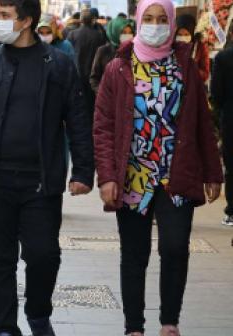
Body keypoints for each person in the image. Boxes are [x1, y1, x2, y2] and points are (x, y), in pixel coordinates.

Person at [0, 0, 94, 334]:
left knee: (44, 254)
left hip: (41, 182)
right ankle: (4, 326)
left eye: (4, 16)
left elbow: (77, 120)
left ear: (27, 21)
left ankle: (38, 312)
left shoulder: (58, 66)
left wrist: (84, 171)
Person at [93, 1, 223, 335]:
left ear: (171, 22)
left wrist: (212, 171)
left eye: (161, 19)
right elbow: (104, 126)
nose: (154, 25)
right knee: (134, 254)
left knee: (175, 248)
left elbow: (201, 123)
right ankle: (134, 326)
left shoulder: (185, 67)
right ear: (137, 22)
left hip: (176, 174)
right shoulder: (118, 67)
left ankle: (169, 322)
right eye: (148, 19)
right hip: (133, 176)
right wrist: (106, 176)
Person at [67, 8, 106, 117]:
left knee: (79, 104)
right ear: (92, 20)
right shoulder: (99, 35)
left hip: (77, 73)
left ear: (81, 20)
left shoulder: (72, 34)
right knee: (92, 104)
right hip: (94, 73)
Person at [213, 33, 233, 227]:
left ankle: (232, 210)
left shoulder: (223, 58)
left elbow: (216, 94)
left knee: (232, 166)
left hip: (230, 118)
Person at [90, 16, 134, 93]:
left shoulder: (134, 50)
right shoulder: (103, 51)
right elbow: (94, 78)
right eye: (123, 33)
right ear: (115, 32)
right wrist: (103, 93)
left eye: (130, 33)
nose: (128, 36)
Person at [176, 14, 210, 82]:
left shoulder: (199, 47)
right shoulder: (171, 46)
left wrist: (192, 69)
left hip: (192, 88)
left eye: (186, 34)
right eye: (179, 35)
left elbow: (205, 75)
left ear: (192, 33)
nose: (182, 38)